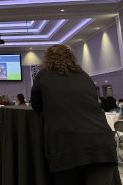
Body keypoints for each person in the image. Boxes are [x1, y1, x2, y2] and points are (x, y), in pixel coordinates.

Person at [31, 45, 117, 185]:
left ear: (48, 58)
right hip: (102, 143)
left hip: (66, 144)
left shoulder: (43, 75)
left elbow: (36, 105)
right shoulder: (84, 75)